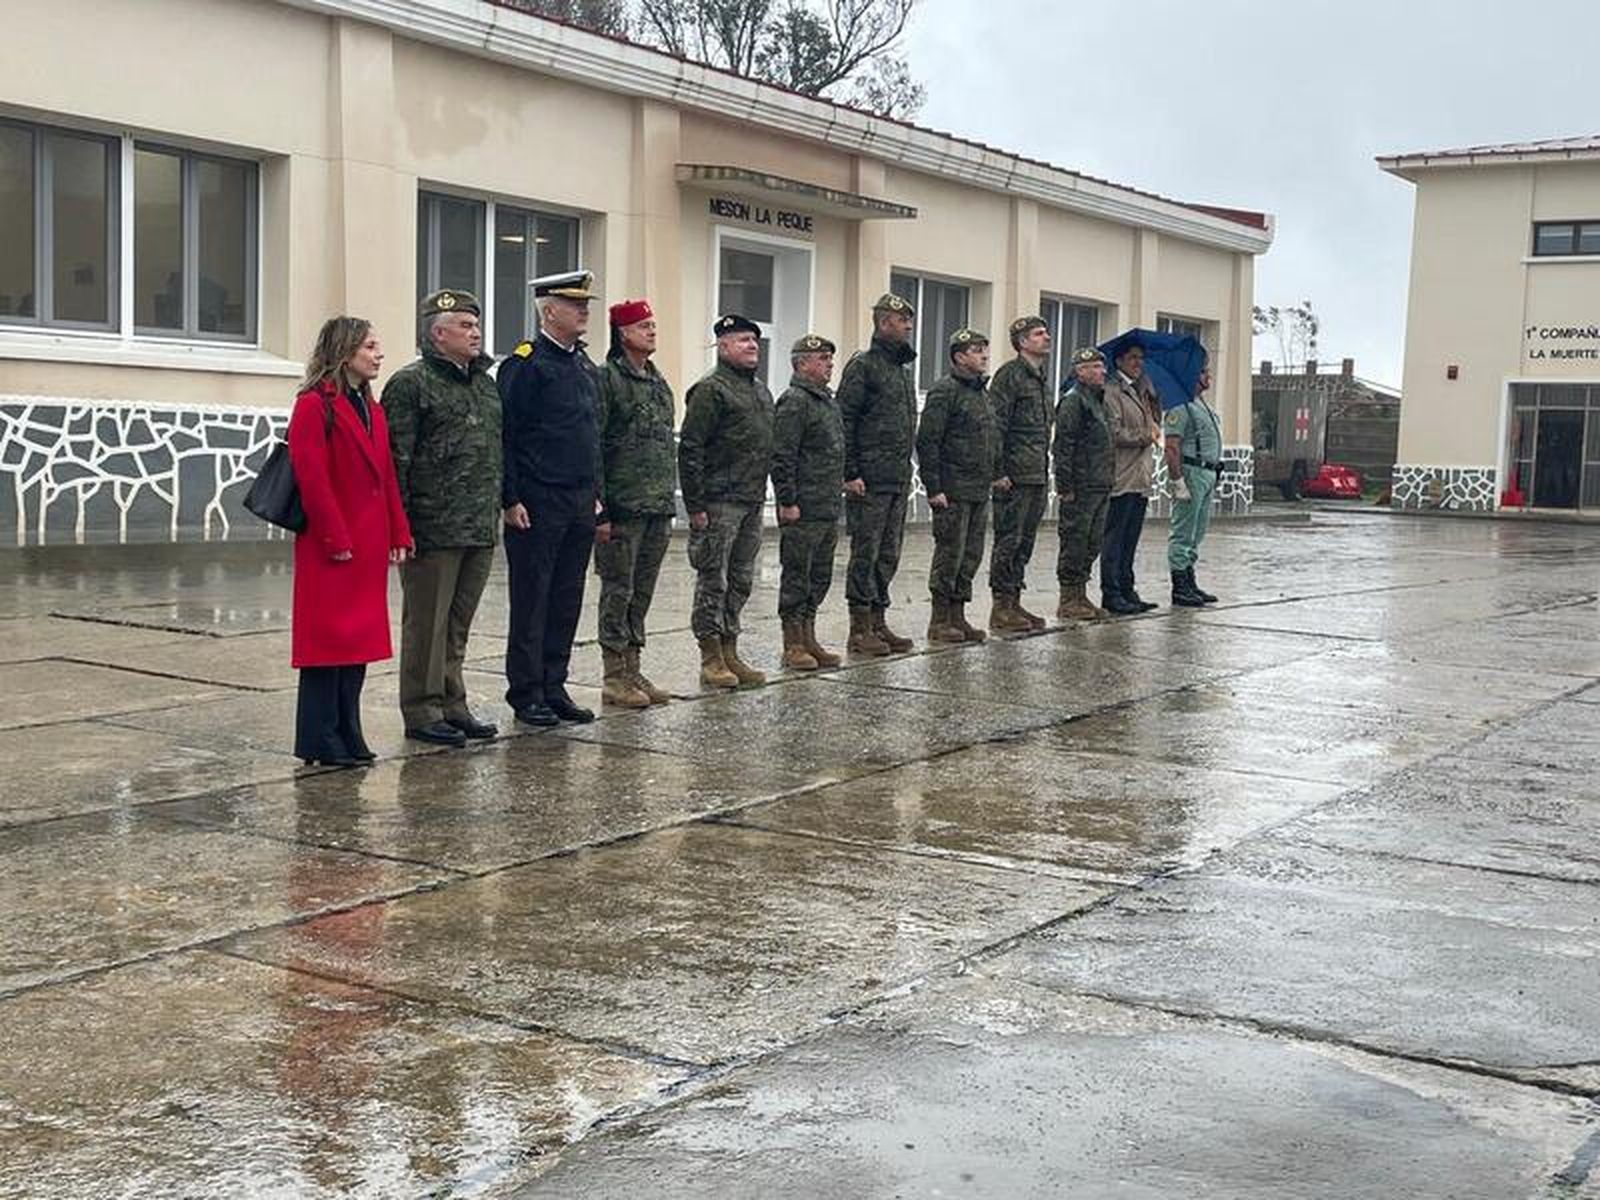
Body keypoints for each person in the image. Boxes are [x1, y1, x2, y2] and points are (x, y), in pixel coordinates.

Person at [288, 316, 413, 766]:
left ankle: (348, 730)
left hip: (368, 542)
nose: (379, 354)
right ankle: (320, 738)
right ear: (345, 353)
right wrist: (334, 535)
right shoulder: (313, 405)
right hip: (332, 543)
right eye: (370, 346)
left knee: (356, 644)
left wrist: (399, 531)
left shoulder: (371, 408)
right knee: (326, 646)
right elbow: (312, 477)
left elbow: (387, 478)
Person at [383, 289, 501, 748]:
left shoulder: (483, 383)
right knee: (426, 625)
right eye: (465, 327)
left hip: (477, 523)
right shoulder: (410, 384)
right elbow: (398, 460)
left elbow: (495, 449)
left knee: (457, 625)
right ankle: (421, 708)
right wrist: (402, 526)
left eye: (476, 325)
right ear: (438, 333)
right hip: (432, 527)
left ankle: (454, 702)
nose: (476, 333)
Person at [500, 270, 602, 728]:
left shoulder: (584, 366)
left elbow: (591, 436)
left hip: (579, 500)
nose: (584, 311)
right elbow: (507, 435)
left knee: (566, 597)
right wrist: (510, 496)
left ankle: (554, 683)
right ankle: (527, 691)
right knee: (533, 598)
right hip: (537, 501)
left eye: (585, 304)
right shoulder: (526, 364)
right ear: (548, 310)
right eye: (573, 304)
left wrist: (599, 498)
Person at [679, 314, 775, 690]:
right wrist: (696, 505)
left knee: (741, 579)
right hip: (719, 502)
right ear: (722, 346)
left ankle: (730, 646)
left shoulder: (761, 392)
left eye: (754, 339)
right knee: (712, 579)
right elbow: (691, 449)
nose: (751, 345)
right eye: (742, 340)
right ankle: (710, 655)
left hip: (750, 499)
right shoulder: (711, 390)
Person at [594, 298, 678, 707]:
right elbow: (594, 445)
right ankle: (613, 675)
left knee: (641, 592)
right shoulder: (607, 379)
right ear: (623, 333)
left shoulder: (659, 383)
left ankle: (633, 667)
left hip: (656, 506)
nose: (652, 331)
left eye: (653, 324)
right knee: (618, 590)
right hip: (623, 508)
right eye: (643, 326)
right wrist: (601, 509)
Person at [838, 292, 918, 656]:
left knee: (889, 553)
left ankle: (878, 620)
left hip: (896, 477)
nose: (909, 327)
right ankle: (859, 628)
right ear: (885, 323)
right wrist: (850, 471)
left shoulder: (900, 370)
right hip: (868, 479)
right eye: (903, 322)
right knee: (866, 552)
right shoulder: (864, 366)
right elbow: (846, 419)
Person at [917, 328, 999, 643]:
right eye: (976, 351)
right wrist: (934, 486)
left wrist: (997, 472)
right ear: (959, 356)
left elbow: (990, 437)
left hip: (979, 488)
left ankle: (958, 615)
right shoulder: (945, 391)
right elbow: (928, 440)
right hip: (953, 489)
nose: (983, 356)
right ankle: (939, 620)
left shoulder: (981, 392)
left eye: (984, 350)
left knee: (970, 555)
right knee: (950, 554)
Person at [772, 334, 845, 671]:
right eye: (822, 358)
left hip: (827, 505)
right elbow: (783, 455)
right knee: (797, 575)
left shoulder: (826, 401)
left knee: (820, 575)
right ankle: (793, 643)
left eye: (830, 357)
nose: (830, 363)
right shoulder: (795, 401)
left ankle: (809, 635)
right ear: (802, 363)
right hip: (803, 506)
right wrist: (788, 500)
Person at [987, 315, 1053, 632]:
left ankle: (1014, 600)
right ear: (1022, 342)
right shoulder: (1009, 376)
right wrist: (998, 470)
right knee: (1008, 541)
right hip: (1013, 475)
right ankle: (1000, 606)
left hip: (1036, 473)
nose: (1047, 337)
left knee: (1024, 542)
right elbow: (995, 425)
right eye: (1039, 334)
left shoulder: (1041, 378)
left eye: (1045, 333)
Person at [1053, 348, 1117, 618]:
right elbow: (1063, 446)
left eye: (1102, 367)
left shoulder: (1098, 400)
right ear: (1080, 371)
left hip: (1100, 482)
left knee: (1092, 543)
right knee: (1075, 542)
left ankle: (1080, 594)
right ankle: (1068, 599)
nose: (1101, 372)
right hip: (1080, 486)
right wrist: (1065, 486)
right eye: (1094, 367)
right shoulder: (1073, 401)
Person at [1101, 343, 1162, 615]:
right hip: (1121, 475)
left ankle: (1128, 588)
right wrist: (1143, 437)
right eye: (1133, 358)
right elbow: (1112, 432)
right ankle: (1112, 593)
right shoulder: (1112, 392)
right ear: (1119, 361)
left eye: (1141, 358)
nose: (1138, 363)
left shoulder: (1142, 391)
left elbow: (1152, 425)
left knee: (1131, 539)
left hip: (1140, 476)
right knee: (1115, 539)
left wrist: (1153, 405)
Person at [1165, 363, 1224, 607]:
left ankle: (1190, 581)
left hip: (1207, 472)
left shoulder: (1202, 405)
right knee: (1183, 532)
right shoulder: (1180, 405)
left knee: (1197, 532)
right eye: (1202, 372)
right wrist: (1177, 480)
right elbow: (1172, 446)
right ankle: (1180, 587)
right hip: (1191, 471)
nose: (1208, 376)